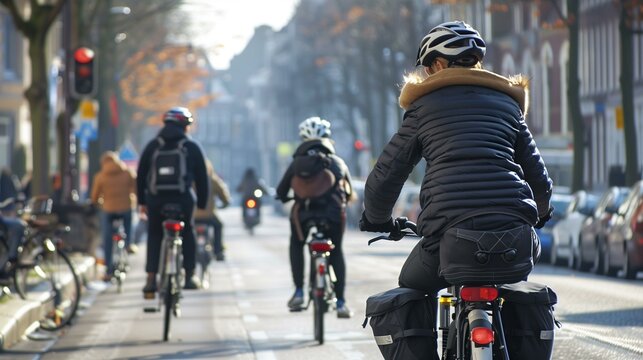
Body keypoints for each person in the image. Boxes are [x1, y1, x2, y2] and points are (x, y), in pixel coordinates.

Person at [359, 20, 553, 356]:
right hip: (515, 239)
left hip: (450, 241)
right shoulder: (509, 106)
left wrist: (377, 218)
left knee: (412, 283)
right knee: (511, 281)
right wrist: (542, 212)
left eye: (427, 68)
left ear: (436, 65)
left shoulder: (422, 109)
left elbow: (387, 174)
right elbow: (539, 177)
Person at [276, 117, 355, 319]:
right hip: (332, 215)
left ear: (303, 139)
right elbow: (349, 192)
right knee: (336, 251)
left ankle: (299, 291)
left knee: (296, 243)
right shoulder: (337, 162)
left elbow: (281, 191)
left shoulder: (296, 163)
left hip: (303, 215)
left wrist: (287, 196)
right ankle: (341, 302)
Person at [137, 107, 209, 296]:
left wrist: (142, 201)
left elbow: (141, 175)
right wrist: (201, 203)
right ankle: (190, 276)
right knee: (188, 231)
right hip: (182, 199)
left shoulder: (153, 146)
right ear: (185, 126)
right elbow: (202, 178)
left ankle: (151, 278)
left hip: (156, 199)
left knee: (154, 233)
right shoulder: (191, 147)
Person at [90, 151, 137, 281]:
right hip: (126, 207)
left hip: (108, 209)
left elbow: (94, 197)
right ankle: (128, 243)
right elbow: (135, 189)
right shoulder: (127, 172)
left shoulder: (100, 176)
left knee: (107, 237)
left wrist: (99, 203)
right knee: (128, 221)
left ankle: (109, 270)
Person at [194, 159, 231, 261]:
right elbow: (224, 194)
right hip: (208, 216)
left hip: (193, 216)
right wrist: (225, 204)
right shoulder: (212, 180)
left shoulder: (191, 179)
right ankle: (218, 251)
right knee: (219, 226)